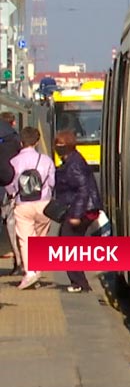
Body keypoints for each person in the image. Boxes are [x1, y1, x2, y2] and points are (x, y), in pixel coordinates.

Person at [52, 130, 103, 293]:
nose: (58, 148)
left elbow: (83, 190)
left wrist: (76, 215)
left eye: (61, 145)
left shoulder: (74, 163)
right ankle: (79, 282)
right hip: (79, 209)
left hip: (81, 210)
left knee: (68, 245)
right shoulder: (72, 160)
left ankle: (79, 283)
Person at [7, 126, 55, 290]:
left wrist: (14, 194)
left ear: (21, 142)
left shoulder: (14, 162)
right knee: (40, 238)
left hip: (23, 204)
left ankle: (31, 272)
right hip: (44, 205)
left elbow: (10, 184)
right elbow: (52, 183)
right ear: (36, 142)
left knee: (26, 239)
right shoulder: (46, 160)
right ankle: (37, 269)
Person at [0, 112, 21, 275]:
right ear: (12, 123)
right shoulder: (13, 139)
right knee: (16, 226)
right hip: (9, 188)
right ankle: (21, 263)